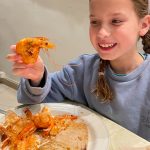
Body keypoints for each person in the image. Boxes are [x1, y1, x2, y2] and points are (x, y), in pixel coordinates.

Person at [7, 0, 150, 141]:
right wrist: (37, 78)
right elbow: (31, 103)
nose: (102, 33)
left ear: (143, 25)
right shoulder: (81, 70)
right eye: (95, 22)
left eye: (116, 21)